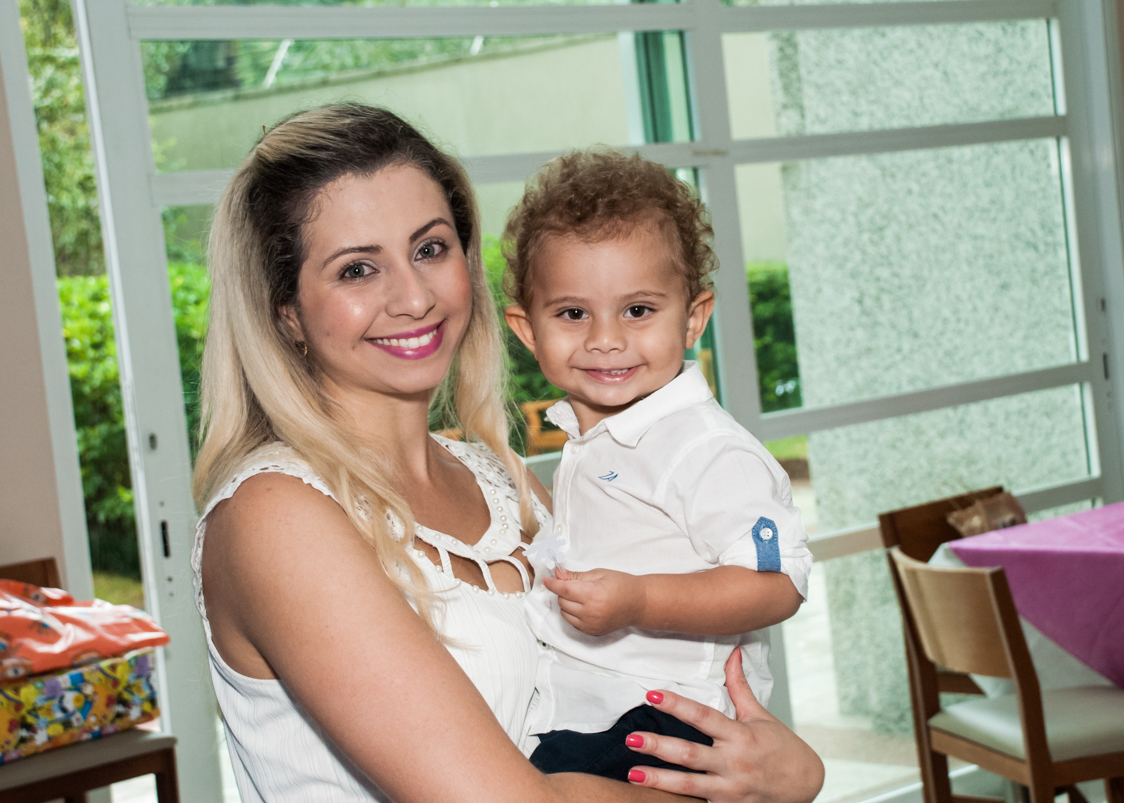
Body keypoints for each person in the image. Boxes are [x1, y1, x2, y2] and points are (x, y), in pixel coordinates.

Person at [190, 102, 824, 802]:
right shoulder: (276, 516)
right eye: (358, 270)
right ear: (286, 312)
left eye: (430, 249)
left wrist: (776, 769)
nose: (413, 297)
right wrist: (765, 790)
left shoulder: (501, 480)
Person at [502, 149, 812, 781]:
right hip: (593, 707)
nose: (606, 339)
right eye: (573, 313)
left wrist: (640, 600)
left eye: (638, 310)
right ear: (528, 330)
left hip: (666, 716)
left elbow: (778, 583)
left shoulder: (704, 448)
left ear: (693, 319)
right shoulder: (593, 438)